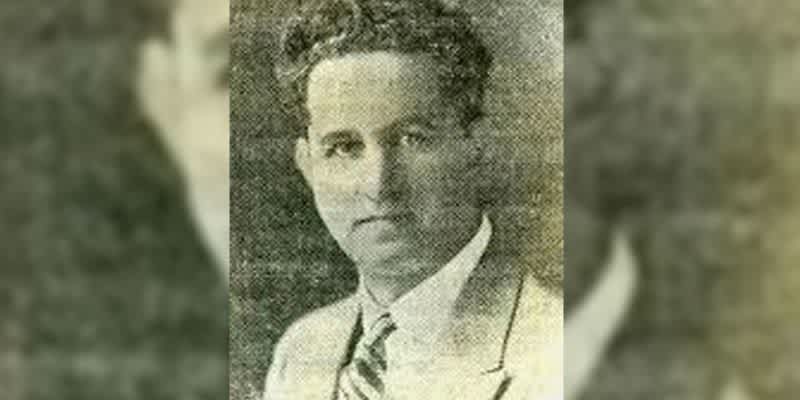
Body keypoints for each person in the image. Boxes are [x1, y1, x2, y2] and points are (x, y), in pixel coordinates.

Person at [263, 0, 562, 399]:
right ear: (308, 165)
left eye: (412, 139)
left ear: (476, 145)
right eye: (344, 147)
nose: (378, 185)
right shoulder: (300, 352)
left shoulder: (556, 352)